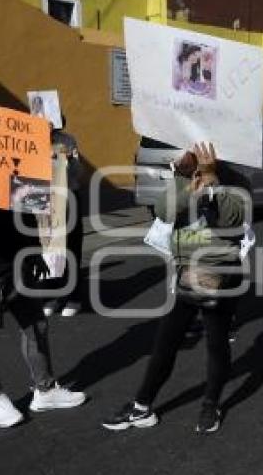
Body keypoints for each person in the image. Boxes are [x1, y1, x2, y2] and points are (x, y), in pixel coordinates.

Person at [102, 143, 249, 434]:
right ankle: (142, 406)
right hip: (185, 272)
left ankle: (210, 404)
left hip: (220, 272)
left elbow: (232, 219)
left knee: (216, 342)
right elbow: (162, 211)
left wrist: (212, 181)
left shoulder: (235, 179)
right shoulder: (181, 177)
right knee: (166, 340)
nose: (185, 153)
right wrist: (188, 191)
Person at [0, 205, 86, 428]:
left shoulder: (11, 173)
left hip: (15, 260)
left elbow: (26, 205)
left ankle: (45, 388)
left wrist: (35, 250)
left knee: (36, 325)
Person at [42, 121, 86, 318]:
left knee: (71, 247)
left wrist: (71, 161)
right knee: (48, 248)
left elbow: (79, 175)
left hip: (68, 198)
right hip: (43, 201)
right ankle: (52, 295)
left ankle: (73, 297)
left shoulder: (67, 140)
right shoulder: (30, 140)